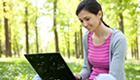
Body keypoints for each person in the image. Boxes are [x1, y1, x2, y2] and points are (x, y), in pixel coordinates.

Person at [74, 0, 127, 80]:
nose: (84, 24)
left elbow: (114, 77)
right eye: (81, 21)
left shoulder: (118, 39)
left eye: (87, 19)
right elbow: (86, 69)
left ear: (99, 14)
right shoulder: (86, 38)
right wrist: (79, 76)